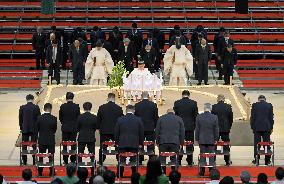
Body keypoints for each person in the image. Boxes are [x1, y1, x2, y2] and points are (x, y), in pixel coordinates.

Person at [114, 105, 144, 177]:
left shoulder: (120, 119)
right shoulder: (138, 119)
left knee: (121, 160)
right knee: (134, 160)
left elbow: (116, 132)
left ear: (126, 110)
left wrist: (117, 142)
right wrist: (140, 143)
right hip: (134, 143)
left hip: (122, 142)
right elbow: (141, 132)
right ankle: (134, 174)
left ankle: (119, 174)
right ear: (134, 110)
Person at [156, 109, 185, 174]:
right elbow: (182, 132)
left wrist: (157, 142)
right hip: (175, 142)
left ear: (167, 112)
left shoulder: (161, 118)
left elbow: (157, 131)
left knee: (162, 159)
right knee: (174, 159)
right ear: (173, 113)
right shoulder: (179, 119)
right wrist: (181, 143)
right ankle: (174, 173)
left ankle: (163, 173)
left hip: (163, 142)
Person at [97, 93, 123, 164]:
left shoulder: (102, 107)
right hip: (116, 131)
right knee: (117, 146)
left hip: (104, 131)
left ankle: (101, 160)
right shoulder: (119, 108)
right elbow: (121, 120)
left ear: (108, 98)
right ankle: (119, 160)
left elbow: (98, 119)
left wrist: (98, 128)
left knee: (103, 147)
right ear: (114, 99)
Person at [173, 90, 198, 166]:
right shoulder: (193, 103)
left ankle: (179, 159)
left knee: (180, 143)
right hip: (190, 127)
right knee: (190, 143)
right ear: (189, 95)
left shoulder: (177, 103)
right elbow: (195, 115)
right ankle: (189, 160)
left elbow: (175, 116)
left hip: (179, 127)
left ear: (182, 95)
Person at [134, 91, 159, 164]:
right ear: (148, 97)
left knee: (139, 144)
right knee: (151, 144)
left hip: (139, 128)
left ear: (141, 97)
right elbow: (155, 117)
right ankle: (152, 160)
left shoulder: (137, 105)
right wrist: (155, 126)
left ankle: (140, 160)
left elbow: (135, 117)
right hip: (150, 128)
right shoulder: (153, 105)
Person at [195, 103, 219, 176]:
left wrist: (197, 139)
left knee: (203, 155)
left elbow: (197, 129)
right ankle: (211, 171)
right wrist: (216, 139)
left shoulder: (199, 117)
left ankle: (202, 171)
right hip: (211, 140)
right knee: (211, 155)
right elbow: (216, 129)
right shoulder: (214, 117)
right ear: (210, 108)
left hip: (202, 140)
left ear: (204, 108)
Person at [251, 95, 274, 165]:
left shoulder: (254, 105)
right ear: (265, 99)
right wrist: (271, 127)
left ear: (259, 99)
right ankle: (267, 160)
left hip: (257, 127)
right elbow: (271, 118)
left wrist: (252, 127)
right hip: (266, 127)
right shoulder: (269, 105)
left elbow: (252, 117)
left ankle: (256, 159)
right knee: (266, 144)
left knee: (257, 144)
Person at [19, 94, 41, 165]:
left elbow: (20, 119)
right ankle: (34, 161)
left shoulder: (22, 107)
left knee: (24, 146)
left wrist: (21, 128)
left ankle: (24, 161)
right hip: (34, 129)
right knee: (34, 145)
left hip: (25, 129)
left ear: (26, 99)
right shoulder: (36, 107)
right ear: (33, 99)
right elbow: (38, 119)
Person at [59, 92, 80, 164]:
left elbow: (60, 118)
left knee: (65, 144)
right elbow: (78, 117)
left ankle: (65, 160)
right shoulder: (76, 106)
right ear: (73, 98)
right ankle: (73, 160)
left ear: (66, 98)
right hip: (74, 128)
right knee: (73, 144)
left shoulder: (62, 106)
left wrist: (64, 123)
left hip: (65, 127)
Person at [211, 94, 233, 165]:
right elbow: (231, 119)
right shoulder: (228, 107)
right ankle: (227, 161)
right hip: (225, 129)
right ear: (224, 99)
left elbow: (212, 119)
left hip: (215, 129)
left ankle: (213, 160)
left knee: (214, 145)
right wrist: (228, 127)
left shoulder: (214, 107)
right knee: (226, 145)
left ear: (218, 99)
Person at [36, 103, 57, 176]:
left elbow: (37, 129)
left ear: (44, 109)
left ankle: (40, 172)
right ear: (50, 109)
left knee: (41, 156)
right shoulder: (54, 118)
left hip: (42, 139)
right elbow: (54, 129)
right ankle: (51, 171)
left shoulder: (39, 118)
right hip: (51, 139)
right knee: (51, 157)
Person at [77, 102, 97, 175]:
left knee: (80, 154)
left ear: (83, 108)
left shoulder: (79, 117)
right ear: (90, 108)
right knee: (92, 155)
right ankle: (92, 170)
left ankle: (79, 169)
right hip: (91, 137)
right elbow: (95, 127)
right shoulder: (94, 117)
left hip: (82, 137)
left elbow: (77, 128)